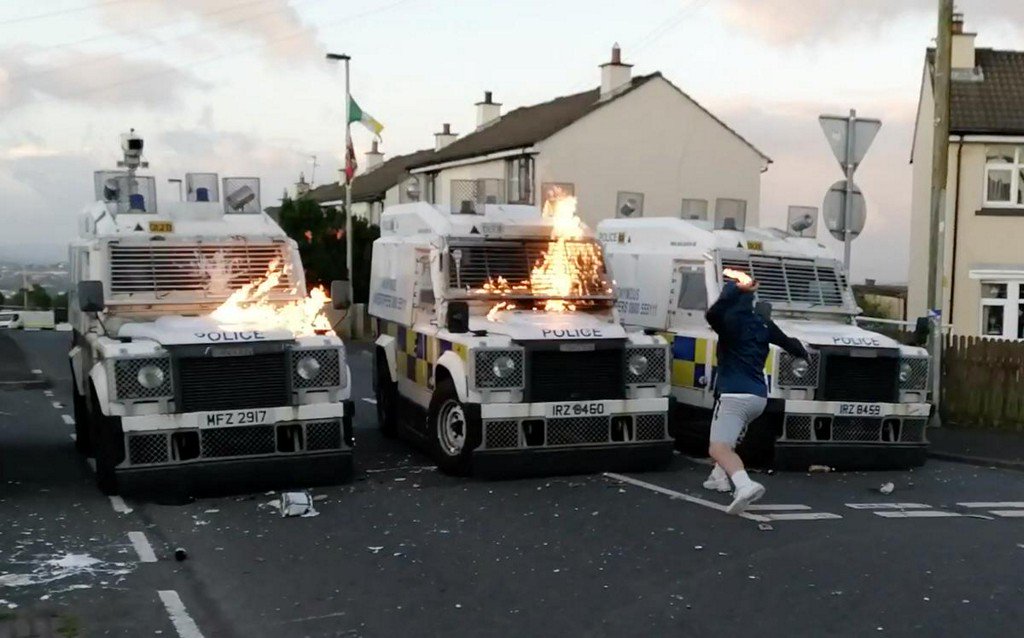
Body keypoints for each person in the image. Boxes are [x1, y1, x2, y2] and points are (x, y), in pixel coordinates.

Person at [703, 269, 809, 515]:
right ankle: (718, 475)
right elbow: (792, 345)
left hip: (733, 394)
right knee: (729, 437)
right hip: (759, 397)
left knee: (718, 447)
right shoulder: (763, 324)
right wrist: (804, 352)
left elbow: (712, 313)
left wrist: (732, 288)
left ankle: (744, 485)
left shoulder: (728, 322)